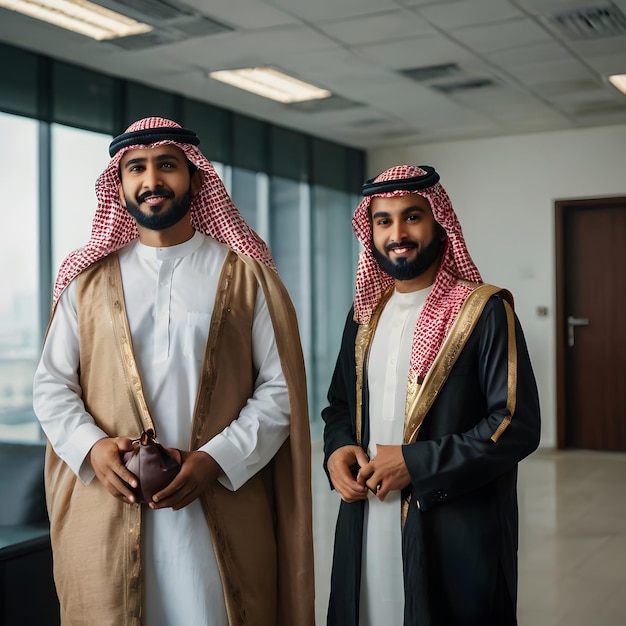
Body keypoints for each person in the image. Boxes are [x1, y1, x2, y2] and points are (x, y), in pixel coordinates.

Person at [33, 117, 315, 626]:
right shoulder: (86, 281)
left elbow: (280, 390)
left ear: (196, 177)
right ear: (118, 187)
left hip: (220, 504)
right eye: (136, 168)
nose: (151, 180)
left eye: (167, 165)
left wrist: (215, 460)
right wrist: (93, 449)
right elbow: (53, 385)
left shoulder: (245, 274)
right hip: (108, 507)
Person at [322, 164, 541, 625]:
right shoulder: (364, 315)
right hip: (366, 516)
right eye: (383, 221)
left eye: (412, 216)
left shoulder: (483, 310)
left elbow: (514, 425)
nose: (397, 233)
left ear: (439, 223)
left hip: (453, 522)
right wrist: (338, 448)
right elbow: (340, 404)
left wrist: (416, 463)